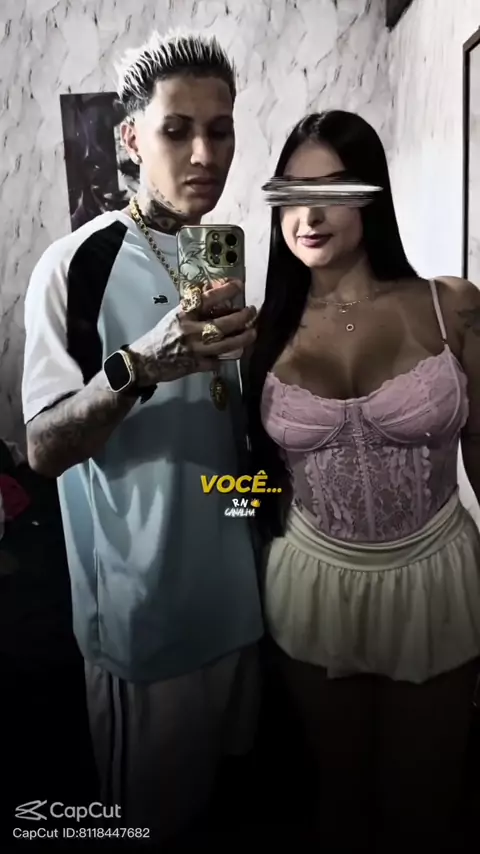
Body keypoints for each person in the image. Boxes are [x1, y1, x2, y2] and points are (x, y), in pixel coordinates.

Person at [21, 30, 263, 843]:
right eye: (177, 130)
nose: (205, 153)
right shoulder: (75, 266)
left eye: (220, 130)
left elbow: (228, 434)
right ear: (131, 137)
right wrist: (136, 367)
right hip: (146, 626)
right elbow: (43, 449)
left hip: (242, 610)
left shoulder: (215, 254)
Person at [246, 110, 480, 852]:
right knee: (338, 801)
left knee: (425, 805)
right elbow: (251, 478)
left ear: (372, 195)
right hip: (313, 579)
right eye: (293, 194)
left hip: (436, 576)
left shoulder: (453, 306)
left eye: (334, 190)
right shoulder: (256, 335)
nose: (309, 215)